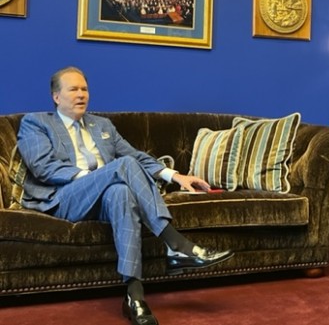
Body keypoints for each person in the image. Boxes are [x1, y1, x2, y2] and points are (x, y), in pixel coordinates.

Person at [17, 66, 234, 325]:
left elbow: (136, 156)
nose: (81, 94)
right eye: (73, 89)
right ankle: (177, 245)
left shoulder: (102, 125)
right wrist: (98, 177)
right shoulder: (36, 123)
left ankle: (135, 297)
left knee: (120, 192)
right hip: (64, 197)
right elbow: (43, 167)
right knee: (122, 168)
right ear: (56, 97)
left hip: (104, 196)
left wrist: (176, 176)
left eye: (84, 89)